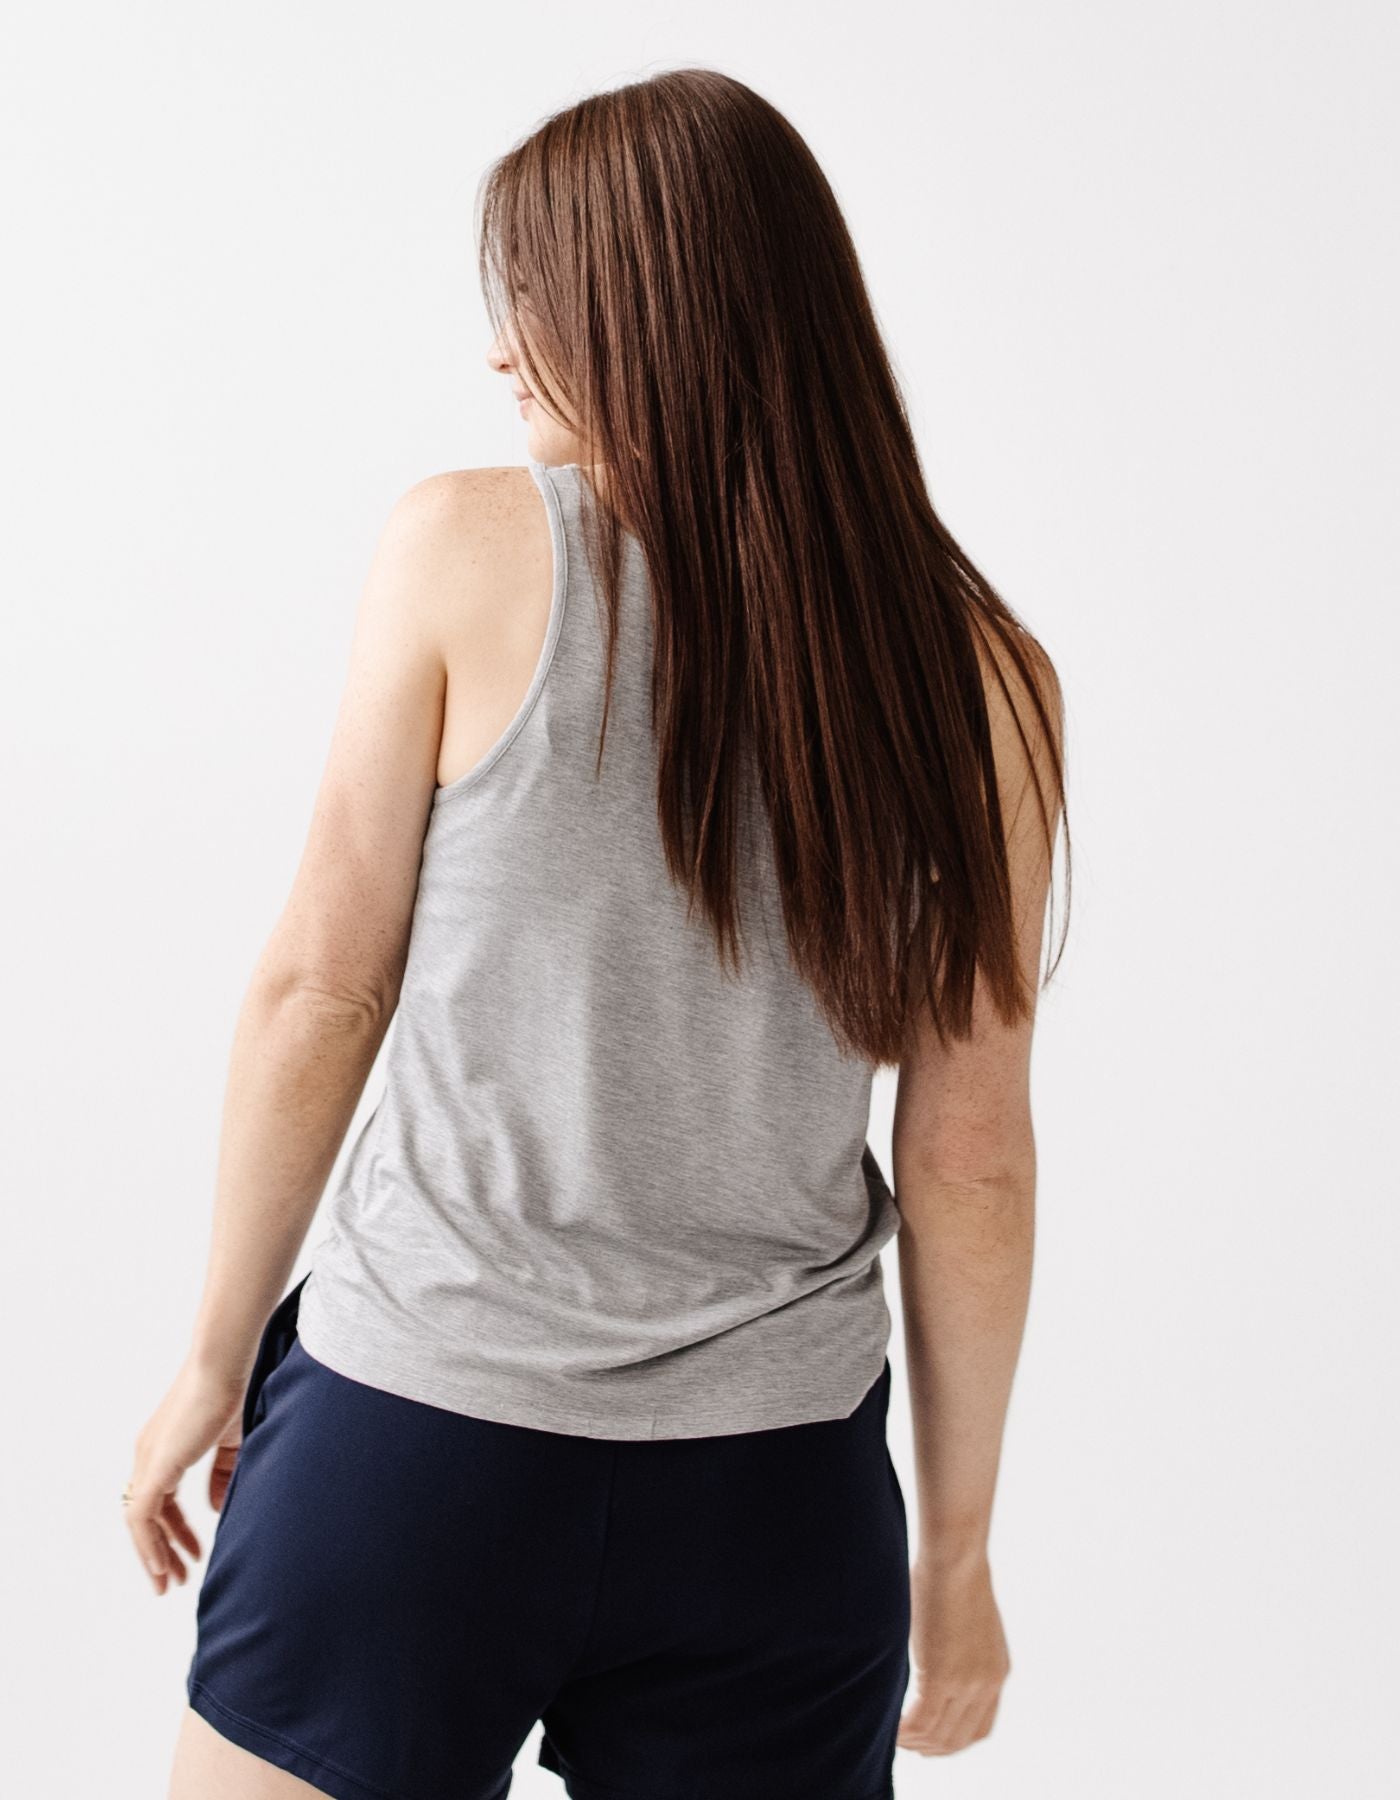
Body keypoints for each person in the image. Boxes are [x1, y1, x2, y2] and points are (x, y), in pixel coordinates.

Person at [128, 66, 1068, 1800]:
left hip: (417, 1443)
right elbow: (971, 1158)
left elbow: (324, 986)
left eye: (539, 296)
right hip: (777, 1497)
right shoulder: (989, 680)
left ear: (652, 302)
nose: (503, 353)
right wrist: (954, 1551)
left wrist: (210, 1357)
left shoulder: (465, 548)